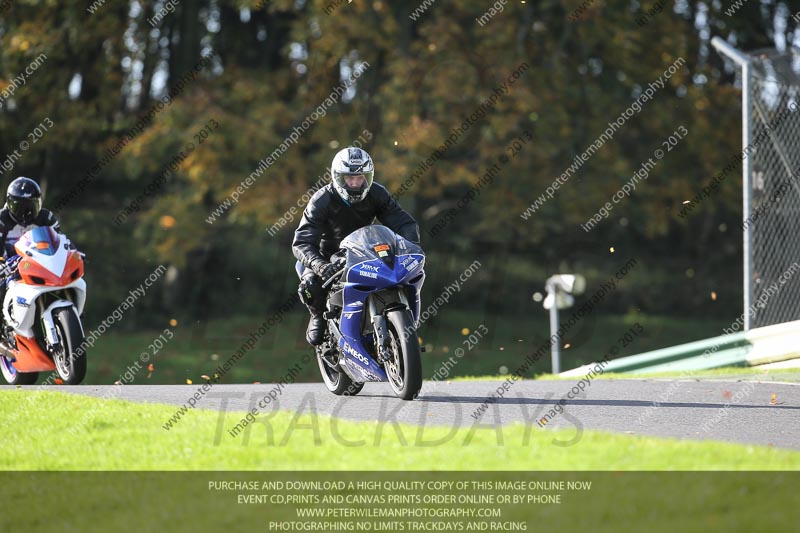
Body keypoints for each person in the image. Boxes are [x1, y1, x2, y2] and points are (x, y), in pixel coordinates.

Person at [292, 147, 420, 346]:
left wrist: (411, 246)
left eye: (360, 178)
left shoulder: (377, 193)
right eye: (349, 178)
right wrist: (319, 265)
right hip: (326, 256)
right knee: (310, 285)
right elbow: (302, 242)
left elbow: (404, 223)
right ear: (337, 177)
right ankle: (317, 315)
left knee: (398, 274)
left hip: (364, 250)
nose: (355, 183)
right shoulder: (321, 200)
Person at [0, 177, 60, 305]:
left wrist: (72, 251)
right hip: (8, 270)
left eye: (31, 206)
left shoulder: (46, 218)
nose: (26, 213)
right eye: (19, 208)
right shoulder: (2, 220)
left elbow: (60, 241)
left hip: (40, 266)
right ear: (9, 204)